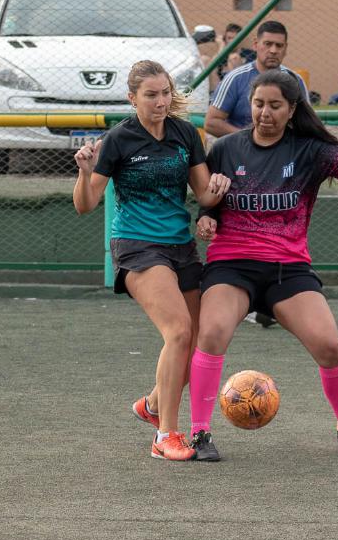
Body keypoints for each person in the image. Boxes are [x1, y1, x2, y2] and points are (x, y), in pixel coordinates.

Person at [187, 69, 338, 461]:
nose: (265, 113)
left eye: (275, 105)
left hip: (288, 269)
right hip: (231, 264)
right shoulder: (225, 149)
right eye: (258, 104)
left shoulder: (310, 150)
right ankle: (199, 433)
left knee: (329, 345)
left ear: (291, 110)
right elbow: (209, 202)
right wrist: (206, 218)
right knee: (213, 332)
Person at [73, 59, 231, 461]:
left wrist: (217, 188)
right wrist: (85, 173)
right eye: (150, 95)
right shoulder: (118, 139)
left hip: (181, 247)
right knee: (178, 331)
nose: (160, 102)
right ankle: (165, 436)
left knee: (194, 341)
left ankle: (153, 404)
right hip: (137, 246)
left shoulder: (185, 133)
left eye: (165, 93)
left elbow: (203, 194)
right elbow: (85, 205)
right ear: (133, 98)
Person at [205, 20, 308, 138]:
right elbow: (211, 123)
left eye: (279, 45)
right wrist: (250, 139)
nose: (273, 50)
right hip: (242, 148)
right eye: (268, 44)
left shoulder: (295, 80)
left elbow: (306, 123)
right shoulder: (235, 79)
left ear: (285, 48)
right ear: (255, 44)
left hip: (285, 148)